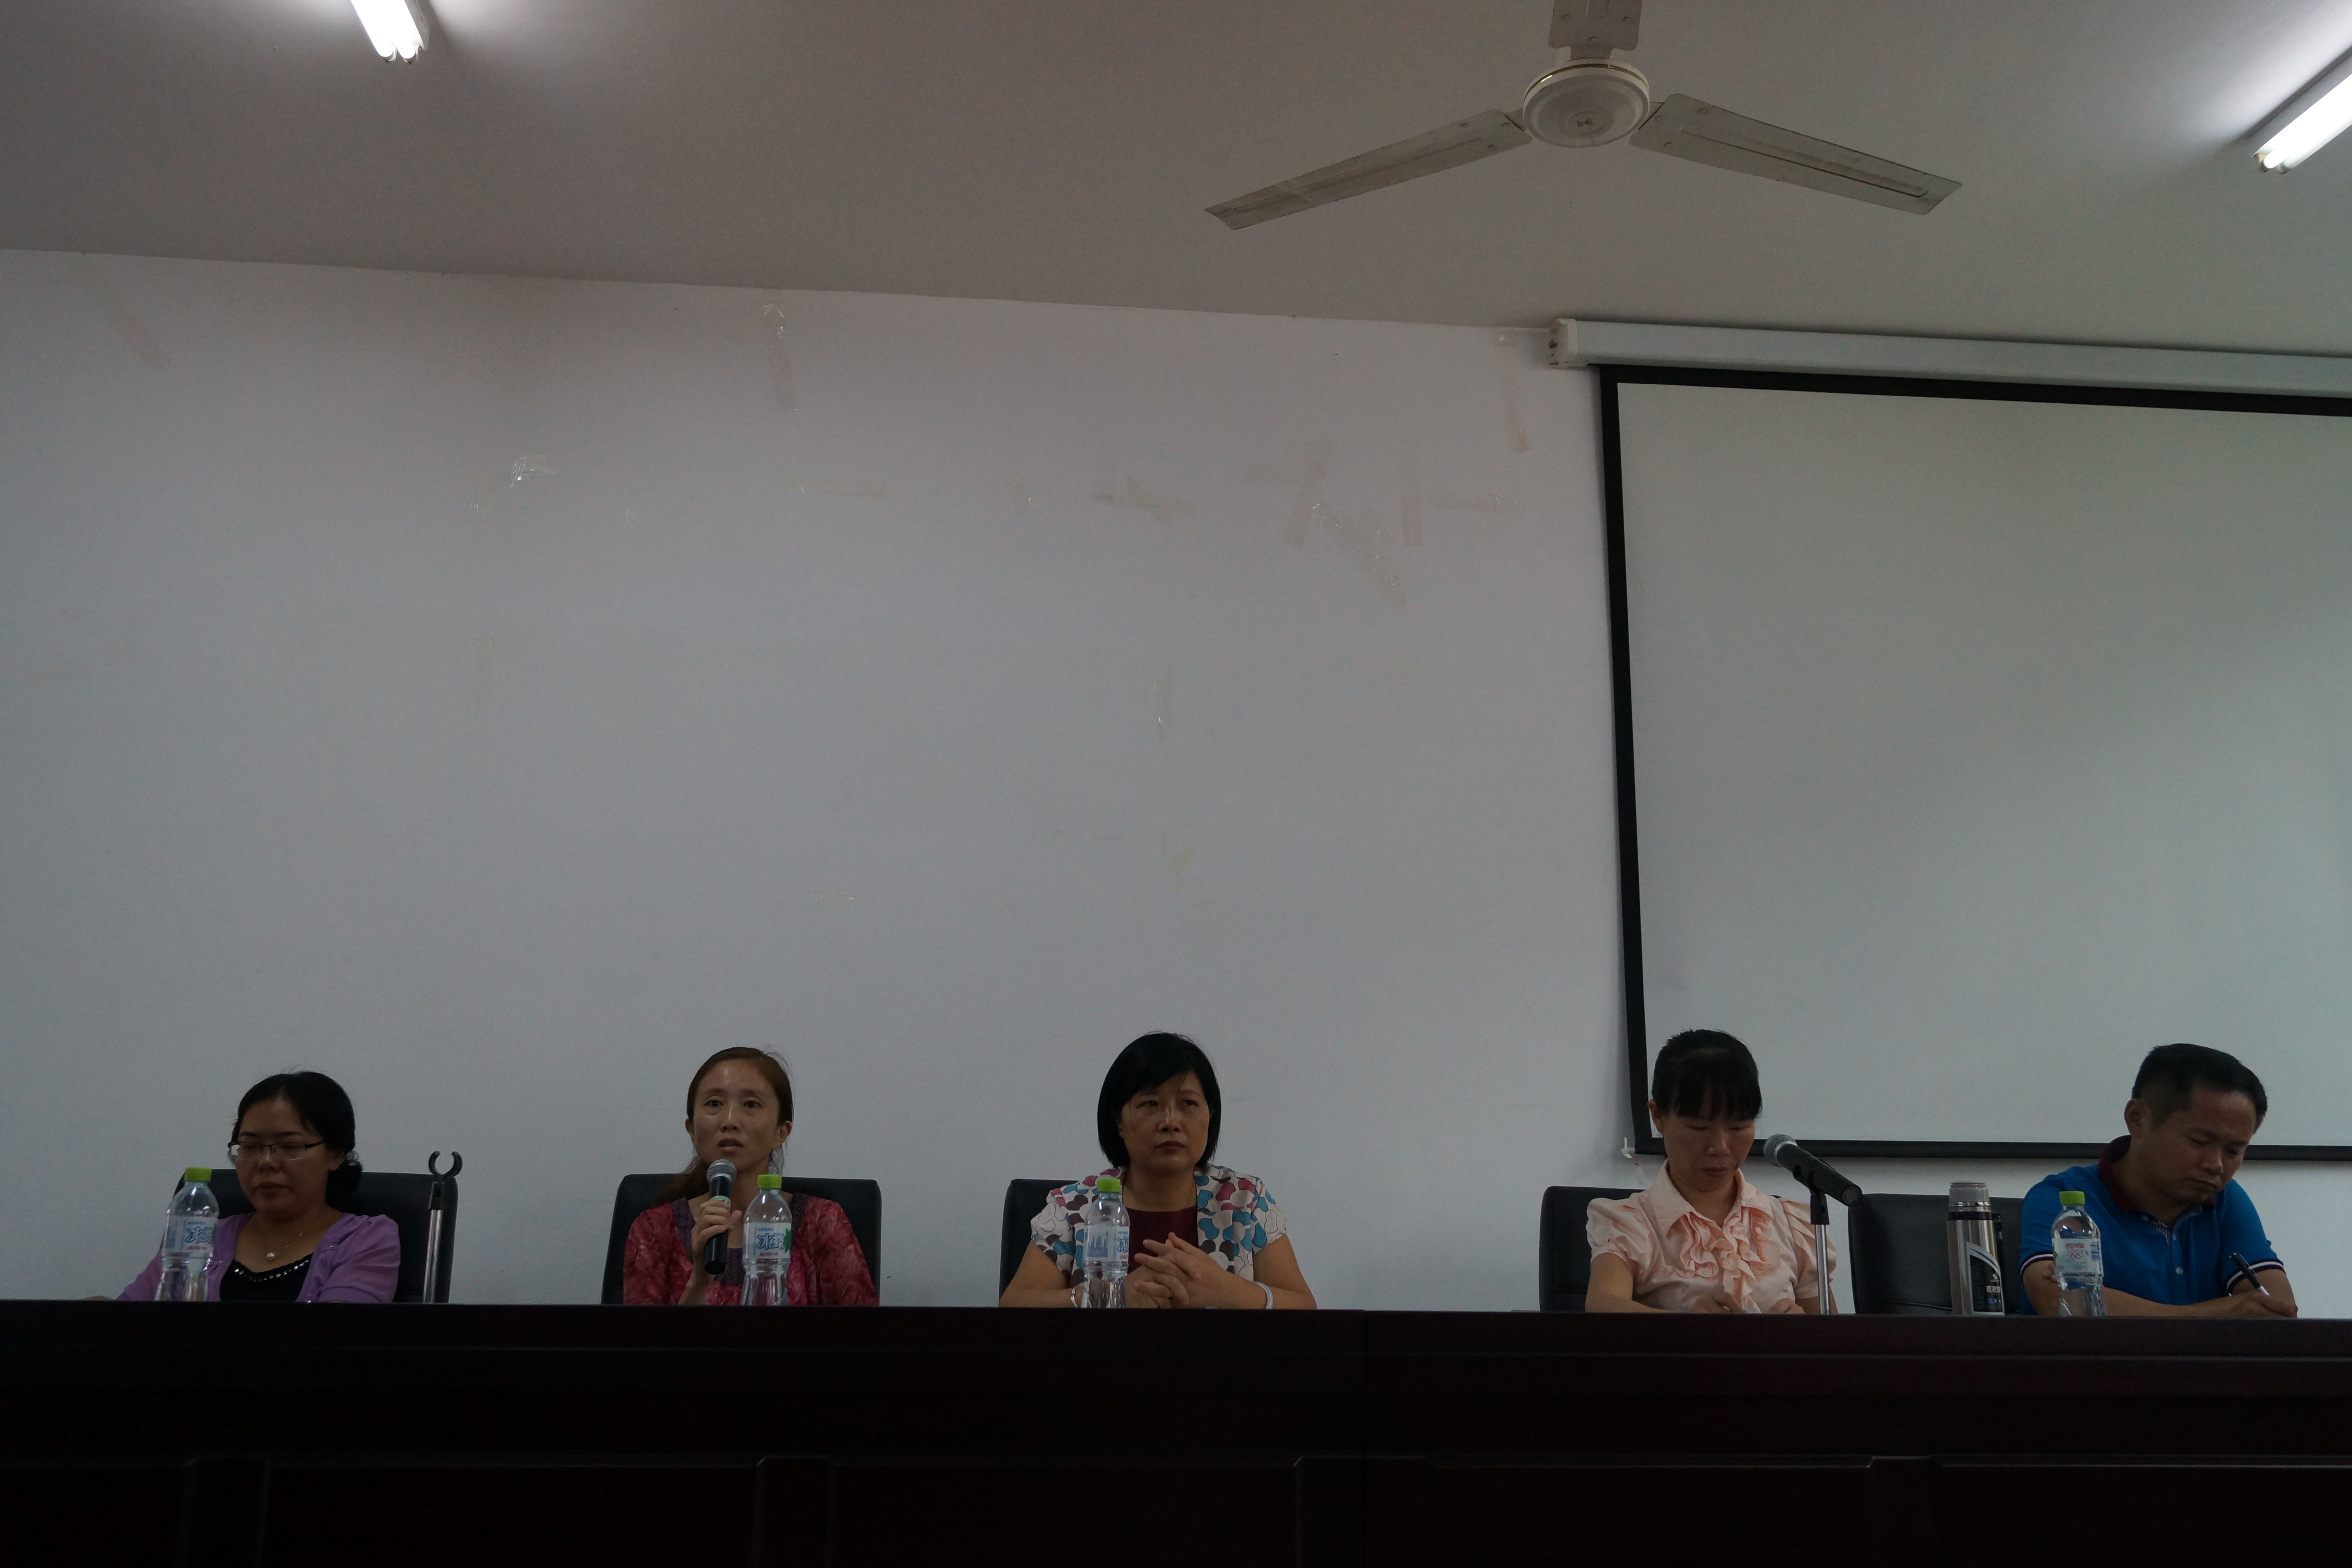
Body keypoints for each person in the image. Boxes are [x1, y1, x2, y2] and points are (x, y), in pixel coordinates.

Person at [999, 1032, 1316, 1309]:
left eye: (1188, 1104)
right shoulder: (1074, 1208)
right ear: (1118, 1122)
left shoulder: (1244, 1202)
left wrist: (1230, 1291)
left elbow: (1305, 1309)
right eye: (1151, 1104)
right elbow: (1013, 1307)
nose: (1170, 1122)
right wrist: (1109, 1296)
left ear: (1210, 1115)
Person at [2018, 1044, 2294, 1318]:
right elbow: (2060, 1301)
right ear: (2137, 1119)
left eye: (2234, 1151)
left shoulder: (2225, 1200)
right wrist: (2220, 1314)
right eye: (2199, 1141)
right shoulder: (2064, 1201)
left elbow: (2278, 1309)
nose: (2216, 1165)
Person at [1585, 1029, 1831, 1313]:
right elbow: (1603, 1306)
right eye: (1699, 1128)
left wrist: (1802, 1330)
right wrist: (1691, 1328)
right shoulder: (1629, 1224)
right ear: (1658, 1116)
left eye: (1738, 1127)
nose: (1720, 1147)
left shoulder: (1790, 1224)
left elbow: (1835, 1334)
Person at [621, 1047, 877, 1306]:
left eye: (751, 1104)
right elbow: (639, 1334)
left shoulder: (823, 1223)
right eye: (714, 1104)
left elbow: (866, 1331)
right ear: (692, 1130)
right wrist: (699, 1280)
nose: (730, 1121)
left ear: (781, 1132)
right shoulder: (654, 1231)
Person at [119, 1070, 399, 1303]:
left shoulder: (366, 1239)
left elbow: (337, 1341)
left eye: (289, 1146)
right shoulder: (202, 1237)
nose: (265, 1162)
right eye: (250, 1147)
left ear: (335, 1154)